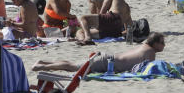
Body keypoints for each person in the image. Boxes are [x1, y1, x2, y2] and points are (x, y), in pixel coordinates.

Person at [32, 32, 166, 73]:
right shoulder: (150, 53)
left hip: (107, 58)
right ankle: (42, 66)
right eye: (162, 42)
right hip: (107, 63)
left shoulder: (144, 46)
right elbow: (148, 70)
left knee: (73, 65)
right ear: (154, 43)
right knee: (73, 67)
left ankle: (44, 63)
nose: (164, 45)